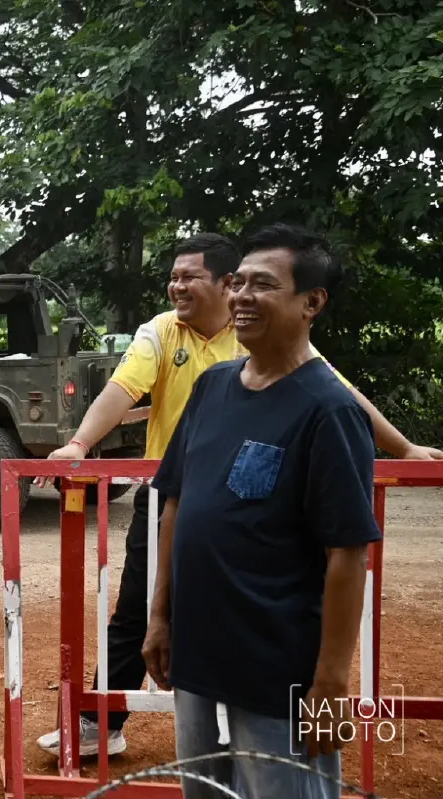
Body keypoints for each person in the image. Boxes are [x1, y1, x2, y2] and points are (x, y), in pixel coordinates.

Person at [35, 232, 441, 758]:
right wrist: (78, 443)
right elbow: (122, 390)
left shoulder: (294, 367)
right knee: (140, 612)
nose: (177, 285)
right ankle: (100, 722)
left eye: (190, 276)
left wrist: (405, 447)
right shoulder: (173, 344)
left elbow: (340, 398)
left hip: (270, 596)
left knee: (274, 752)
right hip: (175, 505)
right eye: (174, 276)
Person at [142, 224, 380, 797]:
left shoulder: (329, 411)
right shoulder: (211, 387)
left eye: (263, 284)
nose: (242, 297)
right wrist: (159, 616)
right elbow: (177, 504)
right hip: (196, 653)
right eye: (238, 282)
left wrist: (332, 682)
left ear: (311, 302)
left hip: (281, 668)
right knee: (202, 790)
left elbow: (347, 554)